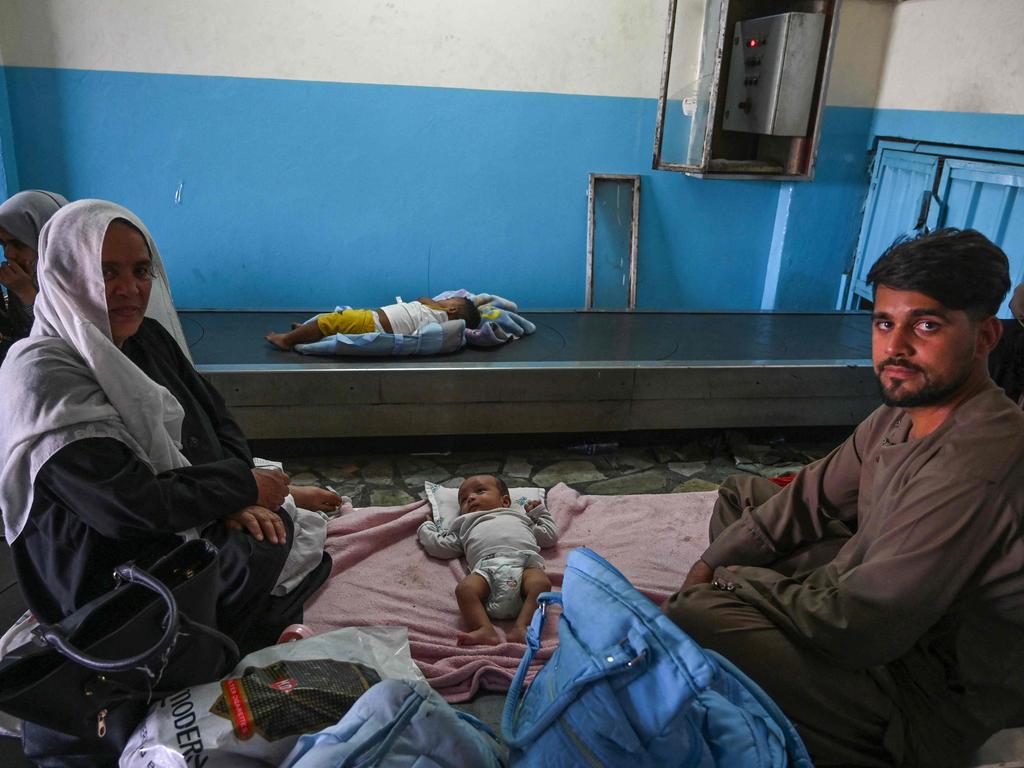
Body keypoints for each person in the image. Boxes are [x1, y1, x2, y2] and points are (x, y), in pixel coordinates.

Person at [663, 228, 1024, 768]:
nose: (895, 348)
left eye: (926, 325)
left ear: (986, 336)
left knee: (700, 613)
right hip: (890, 609)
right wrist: (713, 559)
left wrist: (732, 582)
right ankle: (779, 616)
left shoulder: (975, 463)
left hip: (925, 689)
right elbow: (810, 494)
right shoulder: (899, 414)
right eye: (884, 323)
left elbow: (864, 626)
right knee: (744, 499)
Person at [0, 199, 336, 673]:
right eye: (107, 272)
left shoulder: (145, 338)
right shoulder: (43, 375)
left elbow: (216, 418)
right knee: (254, 550)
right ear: (65, 272)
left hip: (168, 509)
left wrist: (233, 489)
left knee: (270, 530)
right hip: (102, 563)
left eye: (141, 271)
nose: (129, 290)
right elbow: (125, 506)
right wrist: (239, 489)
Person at [417, 474, 557, 645]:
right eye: (463, 499)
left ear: (505, 502)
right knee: (465, 590)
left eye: (480, 491)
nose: (471, 498)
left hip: (525, 564)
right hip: (486, 569)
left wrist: (539, 512)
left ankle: (523, 626)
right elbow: (441, 546)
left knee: (541, 584)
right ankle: (484, 629)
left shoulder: (520, 518)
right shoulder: (463, 524)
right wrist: (427, 528)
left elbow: (549, 537)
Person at [265, 295, 481, 350]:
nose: (443, 298)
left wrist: (437, 303)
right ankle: (306, 331)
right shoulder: (439, 318)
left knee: (330, 321)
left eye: (449, 299)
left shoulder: (436, 309)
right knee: (334, 322)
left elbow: (422, 298)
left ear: (451, 309)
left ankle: (287, 340)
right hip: (372, 319)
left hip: (373, 323)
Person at [0, 190, 68, 362]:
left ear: (48, 239)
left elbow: (63, 344)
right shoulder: (25, 277)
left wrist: (27, 294)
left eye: (17, 243)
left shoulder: (84, 282)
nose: (8, 254)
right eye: (3, 244)